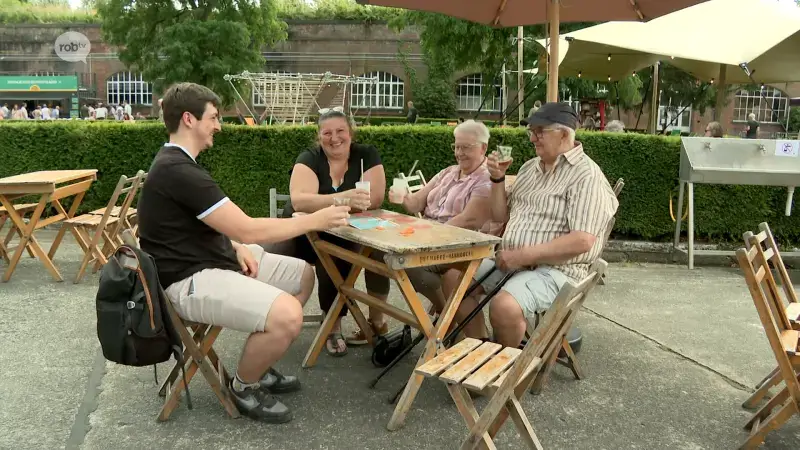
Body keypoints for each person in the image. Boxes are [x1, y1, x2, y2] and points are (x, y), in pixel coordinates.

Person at [136, 82, 350, 423]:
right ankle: (245, 385)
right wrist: (318, 218)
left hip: (211, 261)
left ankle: (260, 361)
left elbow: (202, 225)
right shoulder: (178, 170)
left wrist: (234, 247)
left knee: (302, 275)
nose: (219, 125)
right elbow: (248, 228)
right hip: (188, 281)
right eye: (214, 117)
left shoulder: (178, 164)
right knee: (288, 317)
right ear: (189, 119)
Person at [444, 102, 618, 348]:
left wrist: (522, 255)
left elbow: (583, 240)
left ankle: (506, 368)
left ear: (565, 134)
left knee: (504, 306)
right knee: (454, 278)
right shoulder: (529, 168)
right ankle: (481, 349)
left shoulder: (587, 176)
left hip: (558, 271)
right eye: (531, 132)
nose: (533, 138)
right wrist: (497, 178)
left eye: (540, 132)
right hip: (512, 263)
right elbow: (499, 215)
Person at [347, 120, 494, 345]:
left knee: (401, 261)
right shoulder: (448, 172)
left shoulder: (486, 179)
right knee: (375, 250)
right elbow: (416, 203)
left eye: (466, 147)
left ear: (483, 148)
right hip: (427, 238)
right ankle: (440, 315)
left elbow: (467, 220)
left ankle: (445, 318)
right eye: (456, 146)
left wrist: (424, 233)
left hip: (457, 246)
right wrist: (404, 197)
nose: (459, 153)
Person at [262, 107, 388, 357]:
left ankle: (333, 324)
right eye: (327, 133)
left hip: (344, 232)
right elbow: (300, 202)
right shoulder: (309, 157)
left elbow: (374, 199)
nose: (334, 138)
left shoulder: (366, 154)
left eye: (340, 131)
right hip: (301, 231)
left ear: (351, 132)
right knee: (271, 258)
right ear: (319, 137)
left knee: (340, 253)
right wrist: (344, 198)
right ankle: (269, 318)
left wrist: (327, 201)